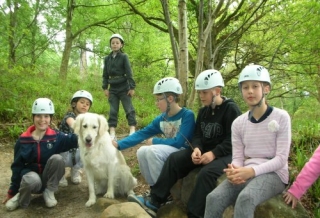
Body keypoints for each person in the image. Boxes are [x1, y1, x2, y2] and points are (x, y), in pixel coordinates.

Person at [128, 69, 242, 218]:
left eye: (204, 92)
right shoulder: (203, 112)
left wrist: (214, 154)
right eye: (199, 92)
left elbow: (233, 140)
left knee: (205, 174)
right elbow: (198, 135)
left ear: (217, 90)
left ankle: (194, 214)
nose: (201, 96)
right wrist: (196, 149)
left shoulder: (231, 109)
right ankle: (156, 200)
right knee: (174, 159)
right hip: (204, 151)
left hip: (226, 154)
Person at [204, 64, 291, 218]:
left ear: (266, 89)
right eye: (245, 87)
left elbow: (281, 159)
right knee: (213, 198)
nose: (250, 91)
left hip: (275, 174)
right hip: (247, 170)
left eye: (255, 86)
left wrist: (251, 171)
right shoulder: (238, 123)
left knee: (246, 198)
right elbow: (237, 157)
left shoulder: (281, 117)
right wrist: (235, 171)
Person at [113, 77, 195, 187]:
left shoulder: (187, 115)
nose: (156, 103)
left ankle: (163, 191)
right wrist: (119, 145)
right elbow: (141, 133)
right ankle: (154, 188)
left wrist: (155, 140)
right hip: (170, 152)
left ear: (170, 98)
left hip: (185, 154)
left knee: (152, 151)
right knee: (141, 151)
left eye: (158, 99)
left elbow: (179, 142)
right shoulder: (161, 119)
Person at [2, 98, 79, 211]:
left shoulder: (56, 137)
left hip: (48, 179)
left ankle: (49, 192)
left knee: (57, 159)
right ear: (33, 117)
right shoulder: (23, 140)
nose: (42, 120)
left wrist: (88, 131)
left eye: (46, 116)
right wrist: (11, 191)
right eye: (38, 116)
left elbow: (74, 140)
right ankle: (20, 196)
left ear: (50, 118)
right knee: (31, 179)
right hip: (31, 180)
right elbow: (17, 167)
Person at [102, 33, 137, 139]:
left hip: (124, 86)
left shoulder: (124, 56)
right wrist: (105, 88)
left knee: (128, 108)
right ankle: (112, 132)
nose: (115, 45)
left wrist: (132, 87)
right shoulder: (107, 59)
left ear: (121, 45)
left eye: (117, 43)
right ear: (110, 45)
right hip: (112, 88)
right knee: (113, 110)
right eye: (113, 43)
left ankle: (132, 130)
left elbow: (129, 72)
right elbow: (105, 74)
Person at [58, 90, 93, 187]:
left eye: (87, 104)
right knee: (59, 156)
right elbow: (73, 124)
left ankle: (75, 171)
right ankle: (60, 175)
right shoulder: (70, 116)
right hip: (64, 151)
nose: (84, 105)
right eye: (82, 102)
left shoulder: (87, 119)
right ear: (74, 103)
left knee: (89, 150)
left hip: (76, 151)